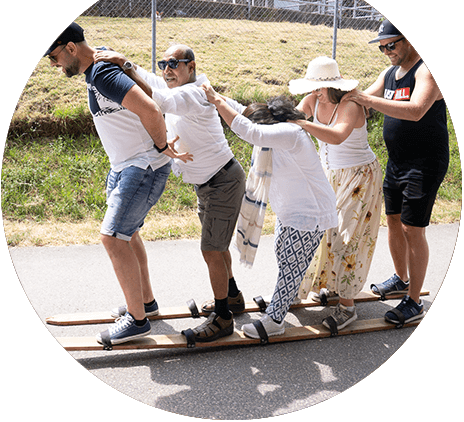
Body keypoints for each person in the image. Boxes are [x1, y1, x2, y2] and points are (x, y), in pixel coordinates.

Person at [45, 22, 192, 347]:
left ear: (71, 48)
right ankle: (147, 305)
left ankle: (137, 322)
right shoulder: (97, 70)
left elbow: (151, 109)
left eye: (54, 56)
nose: (53, 64)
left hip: (140, 167)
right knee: (129, 234)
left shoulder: (101, 74)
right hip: (126, 166)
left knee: (112, 238)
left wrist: (160, 146)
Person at [94, 45, 246, 342]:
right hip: (210, 184)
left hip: (222, 181)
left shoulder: (194, 92)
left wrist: (125, 64)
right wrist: (132, 66)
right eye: (163, 63)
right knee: (219, 244)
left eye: (174, 63)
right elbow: (154, 82)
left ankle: (223, 317)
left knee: (211, 250)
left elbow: (159, 98)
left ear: (191, 66)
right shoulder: (179, 85)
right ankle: (233, 297)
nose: (167, 68)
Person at [202, 86, 338, 340]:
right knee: (284, 256)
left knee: (291, 266)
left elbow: (249, 130)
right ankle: (285, 297)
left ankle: (275, 320)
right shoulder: (279, 128)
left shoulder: (291, 133)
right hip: (291, 210)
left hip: (311, 213)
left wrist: (218, 102)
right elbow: (244, 113)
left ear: (271, 124)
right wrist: (210, 94)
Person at [342, 20, 449, 325]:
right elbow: (365, 103)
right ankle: (401, 279)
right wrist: (335, 92)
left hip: (425, 162)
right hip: (397, 161)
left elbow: (416, 110)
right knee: (393, 222)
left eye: (391, 45)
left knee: (412, 229)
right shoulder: (389, 74)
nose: (386, 51)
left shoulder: (425, 71)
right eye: (381, 47)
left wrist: (364, 98)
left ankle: (414, 302)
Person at [287, 56, 383, 332]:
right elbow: (291, 118)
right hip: (329, 174)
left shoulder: (350, 104)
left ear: (331, 85)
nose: (314, 91)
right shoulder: (312, 100)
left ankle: (347, 307)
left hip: (359, 175)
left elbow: (337, 135)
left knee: (348, 239)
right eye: (312, 86)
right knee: (320, 233)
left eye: (318, 86)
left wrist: (301, 124)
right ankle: (319, 286)